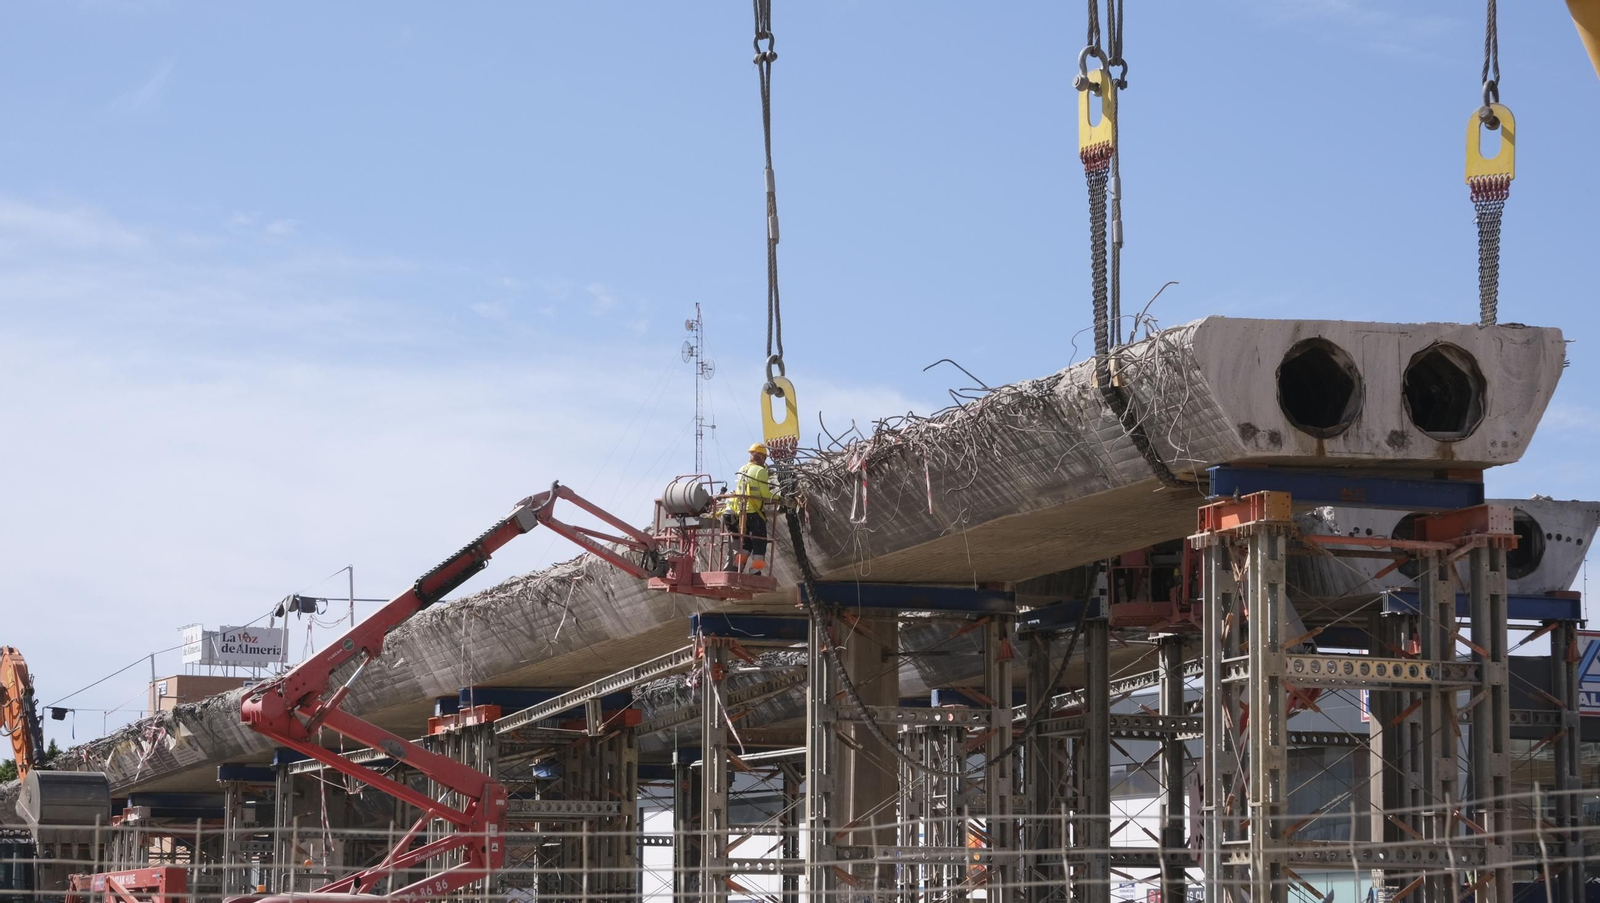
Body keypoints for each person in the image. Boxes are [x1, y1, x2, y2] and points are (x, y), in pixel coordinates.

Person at [722, 443, 775, 574]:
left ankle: (736, 567)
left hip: (742, 514)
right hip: (755, 513)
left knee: (746, 544)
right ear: (762, 456)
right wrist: (779, 498)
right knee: (759, 544)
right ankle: (755, 571)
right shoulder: (760, 471)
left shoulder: (742, 469)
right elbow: (765, 494)